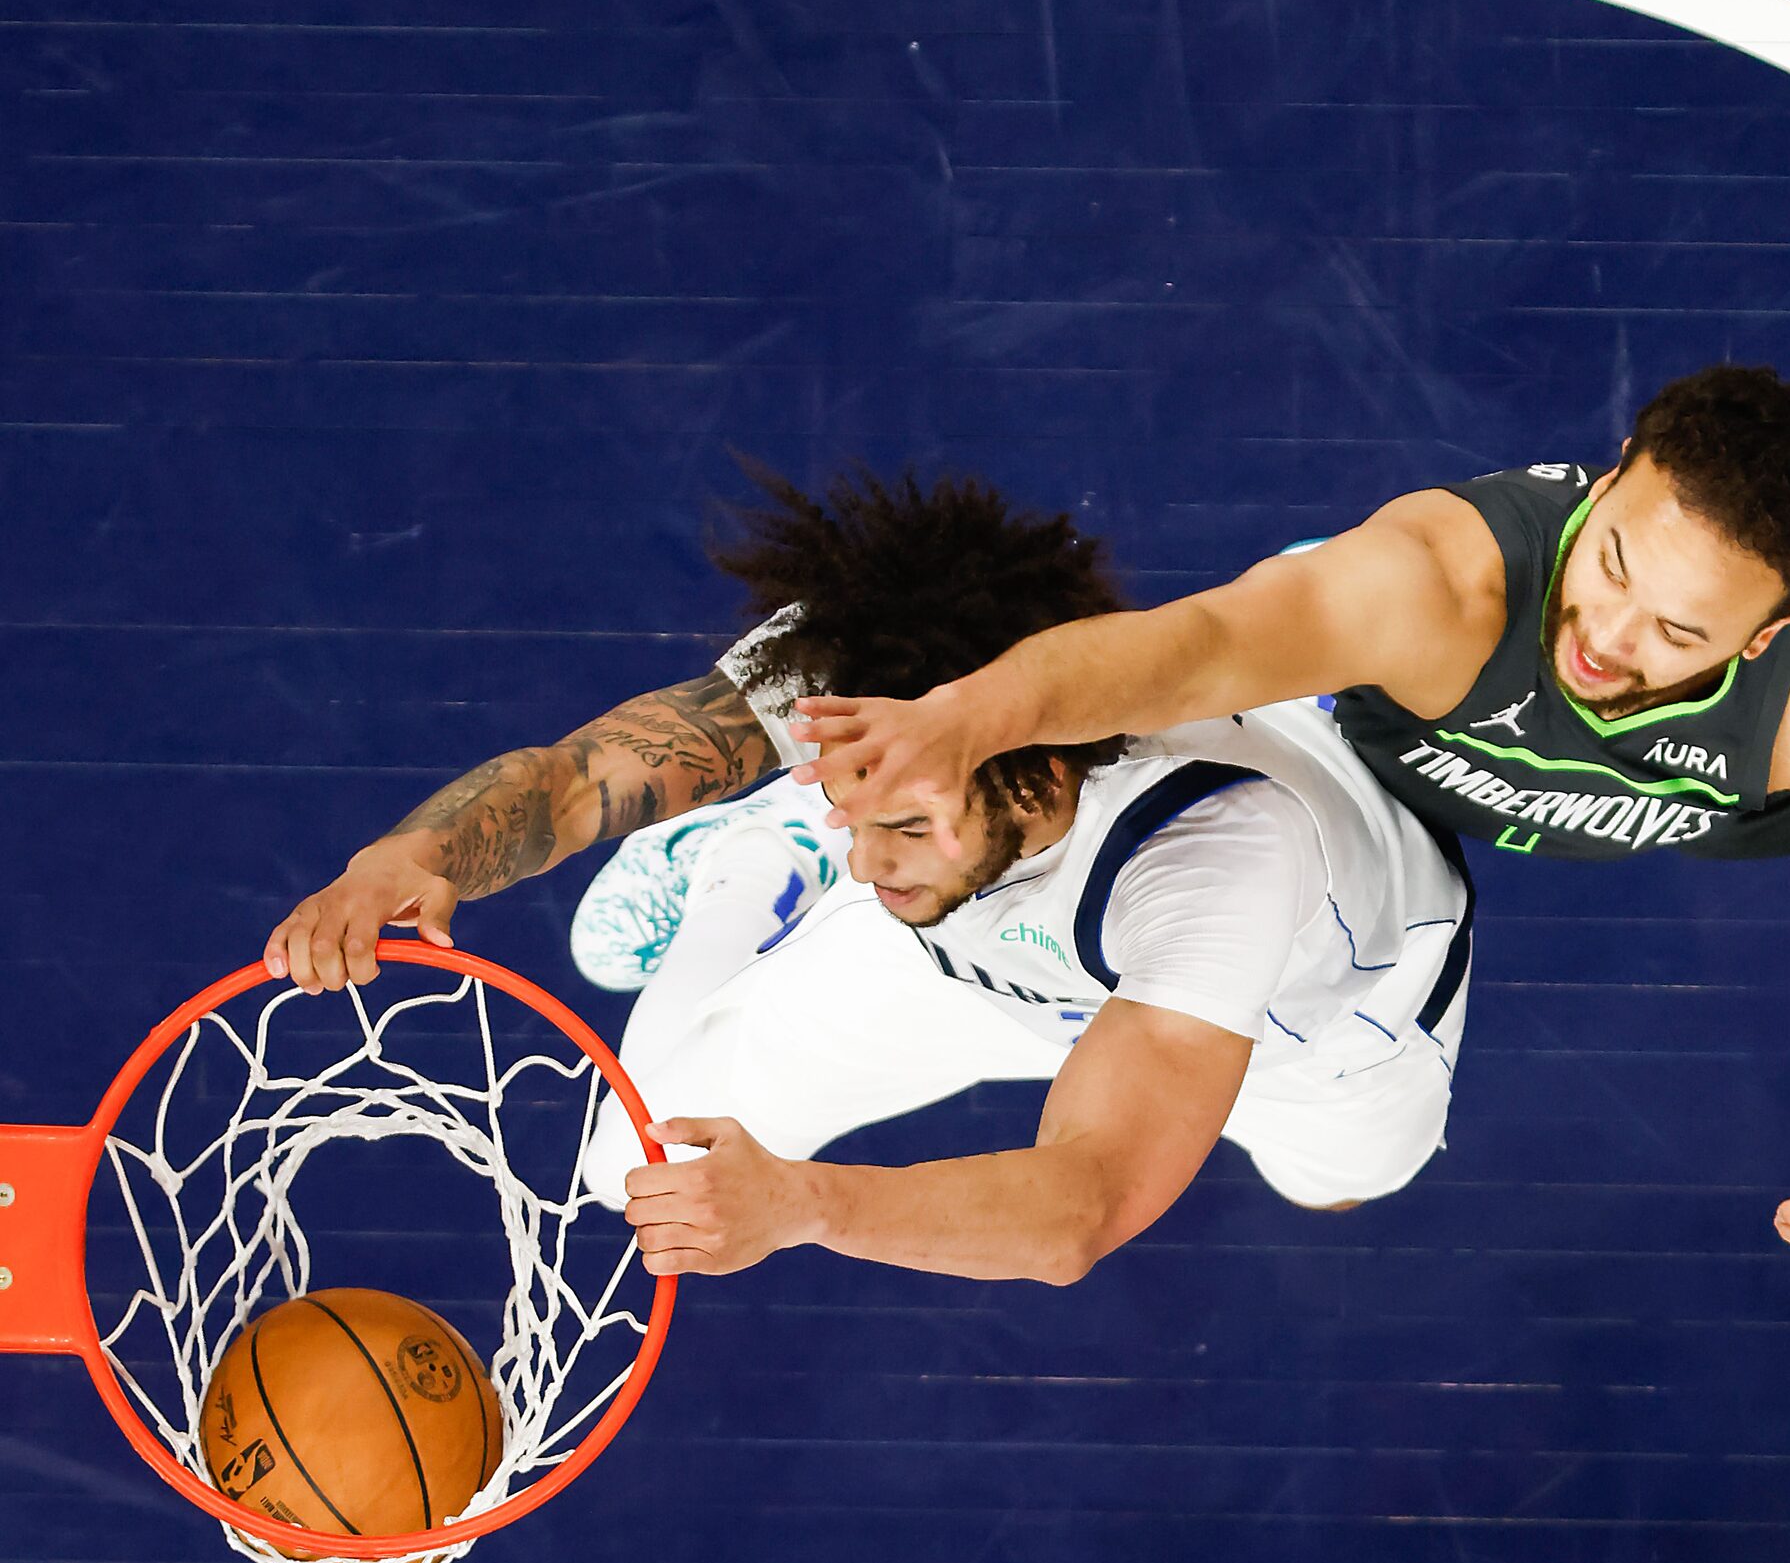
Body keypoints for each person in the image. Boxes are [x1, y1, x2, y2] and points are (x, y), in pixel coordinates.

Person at [796, 365, 1790, 1285]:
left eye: (1674, 631)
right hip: (1570, 797)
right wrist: (979, 707)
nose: (1605, 638)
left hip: (1761, 790)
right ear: (1610, 482)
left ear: (1779, 626)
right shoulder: (1437, 591)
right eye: (1614, 565)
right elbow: (1203, 644)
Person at [262, 462, 1472, 1282]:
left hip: (1307, 1016)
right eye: (846, 811)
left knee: (1342, 1189)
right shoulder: (880, 681)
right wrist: (412, 854)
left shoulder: (1221, 857)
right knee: (634, 1169)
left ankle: (1321, 657)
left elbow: (1085, 1202)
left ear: (1035, 776)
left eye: (895, 823)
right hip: (979, 949)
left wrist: (807, 1205)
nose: (867, 851)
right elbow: (582, 779)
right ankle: (750, 861)